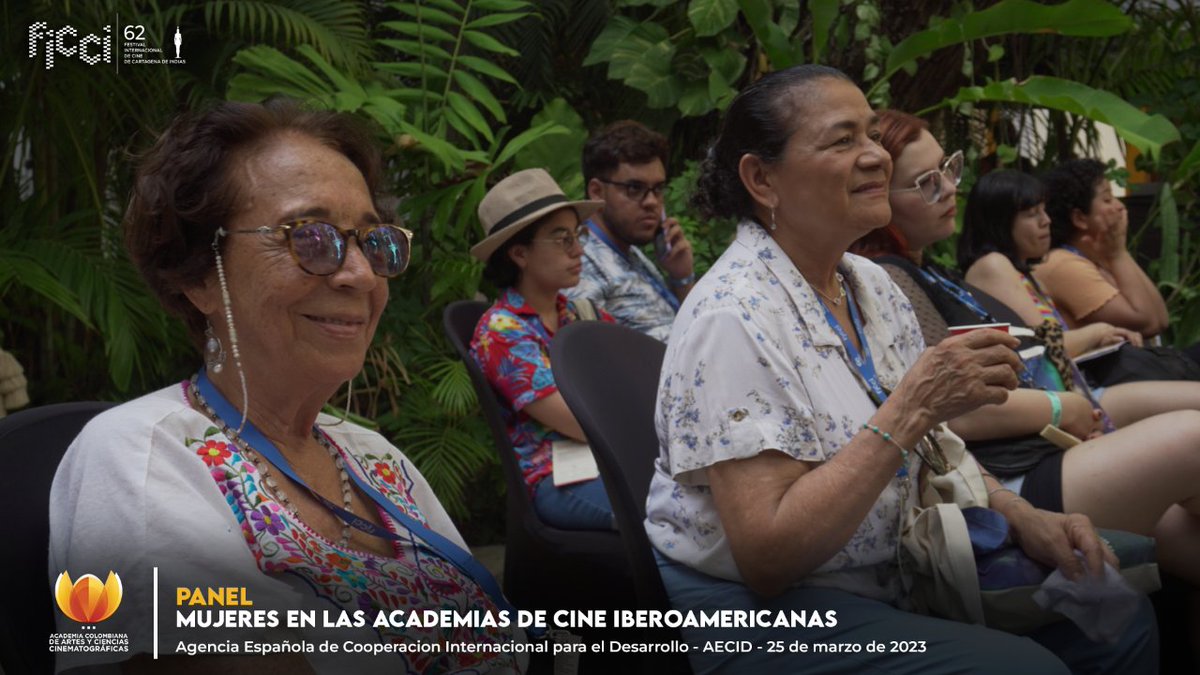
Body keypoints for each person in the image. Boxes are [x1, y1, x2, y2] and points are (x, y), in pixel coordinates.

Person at [645, 64, 1157, 674]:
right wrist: (911, 406)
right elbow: (769, 557)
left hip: (895, 563)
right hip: (768, 609)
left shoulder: (868, 283)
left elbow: (938, 450)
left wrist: (1021, 514)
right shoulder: (733, 316)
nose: (874, 157)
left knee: (1117, 615)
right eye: (842, 140)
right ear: (762, 178)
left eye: (870, 135)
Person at [50, 100, 523, 674]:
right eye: (310, 237)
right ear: (200, 274)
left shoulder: (374, 459)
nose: (361, 274)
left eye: (374, 241)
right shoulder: (141, 455)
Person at [851, 109, 1200, 589]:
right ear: (875, 196)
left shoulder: (932, 271)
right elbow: (945, 411)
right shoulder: (889, 278)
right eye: (927, 183)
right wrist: (1059, 406)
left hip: (1039, 452)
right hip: (1005, 475)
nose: (951, 188)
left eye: (949, 169)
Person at [469, 168, 616, 531]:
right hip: (558, 477)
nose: (578, 250)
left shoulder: (578, 314)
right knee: (665, 516)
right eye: (561, 238)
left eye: (577, 235)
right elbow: (586, 425)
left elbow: (634, 380)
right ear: (520, 253)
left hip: (609, 461)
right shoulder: (501, 332)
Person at [565, 120, 695, 341]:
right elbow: (587, 362)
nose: (652, 202)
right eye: (635, 188)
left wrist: (681, 277)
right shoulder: (581, 264)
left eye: (658, 189)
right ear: (597, 192)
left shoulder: (627, 249)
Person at [1036, 159, 1169, 337]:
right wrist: (1118, 255)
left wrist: (1118, 253)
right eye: (1107, 199)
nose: (1120, 206)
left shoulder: (1094, 255)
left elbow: (1162, 318)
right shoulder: (1063, 264)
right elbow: (1147, 323)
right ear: (1080, 218)